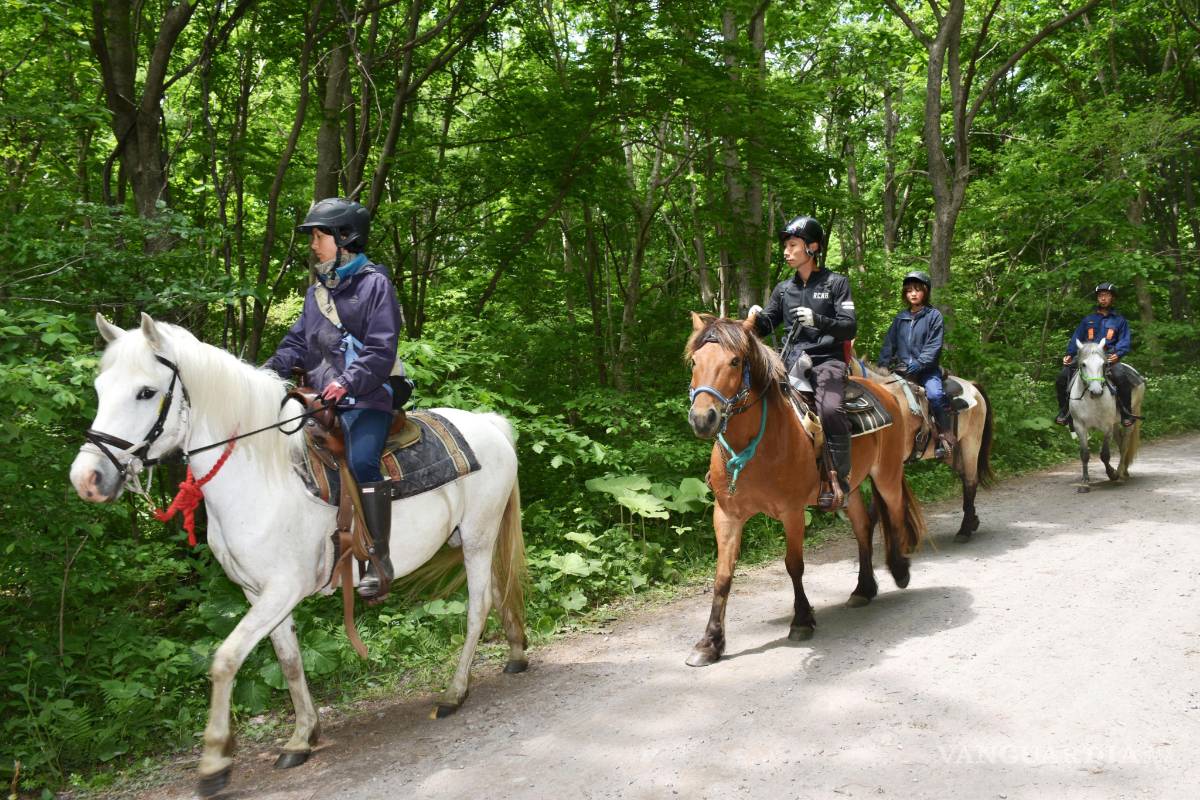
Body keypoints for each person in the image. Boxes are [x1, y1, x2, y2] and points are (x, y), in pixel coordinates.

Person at [264, 197, 408, 598]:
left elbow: (381, 348)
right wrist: (266, 372)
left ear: (345, 238)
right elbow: (296, 343)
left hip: (367, 396)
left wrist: (347, 382)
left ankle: (380, 560)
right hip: (320, 402)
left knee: (362, 460)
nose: (313, 243)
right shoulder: (316, 294)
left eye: (319, 234)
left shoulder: (376, 284)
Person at [748, 215, 857, 510]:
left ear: (812, 247)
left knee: (832, 410)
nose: (786, 251)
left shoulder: (837, 283)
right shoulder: (784, 289)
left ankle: (840, 479)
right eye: (786, 245)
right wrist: (754, 319)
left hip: (827, 361)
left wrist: (817, 320)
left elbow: (849, 326)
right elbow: (766, 326)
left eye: (793, 245)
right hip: (789, 362)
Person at [877, 271, 954, 458]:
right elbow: (889, 343)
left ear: (925, 292)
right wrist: (883, 365)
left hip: (927, 370)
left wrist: (918, 364)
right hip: (901, 370)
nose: (913, 294)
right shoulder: (900, 318)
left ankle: (945, 438)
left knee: (935, 395)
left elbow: (933, 346)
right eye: (909, 290)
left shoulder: (934, 316)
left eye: (917, 290)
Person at [1054, 282, 1137, 428]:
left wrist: (1118, 354)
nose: (1103, 298)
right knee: (1061, 378)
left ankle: (1126, 413)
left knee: (1121, 377)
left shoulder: (1119, 321)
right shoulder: (1088, 320)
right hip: (1086, 356)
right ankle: (1064, 412)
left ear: (1112, 298)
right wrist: (1069, 353)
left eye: (1106, 295)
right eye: (1100, 296)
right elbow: (1076, 338)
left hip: (1109, 357)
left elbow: (1125, 341)